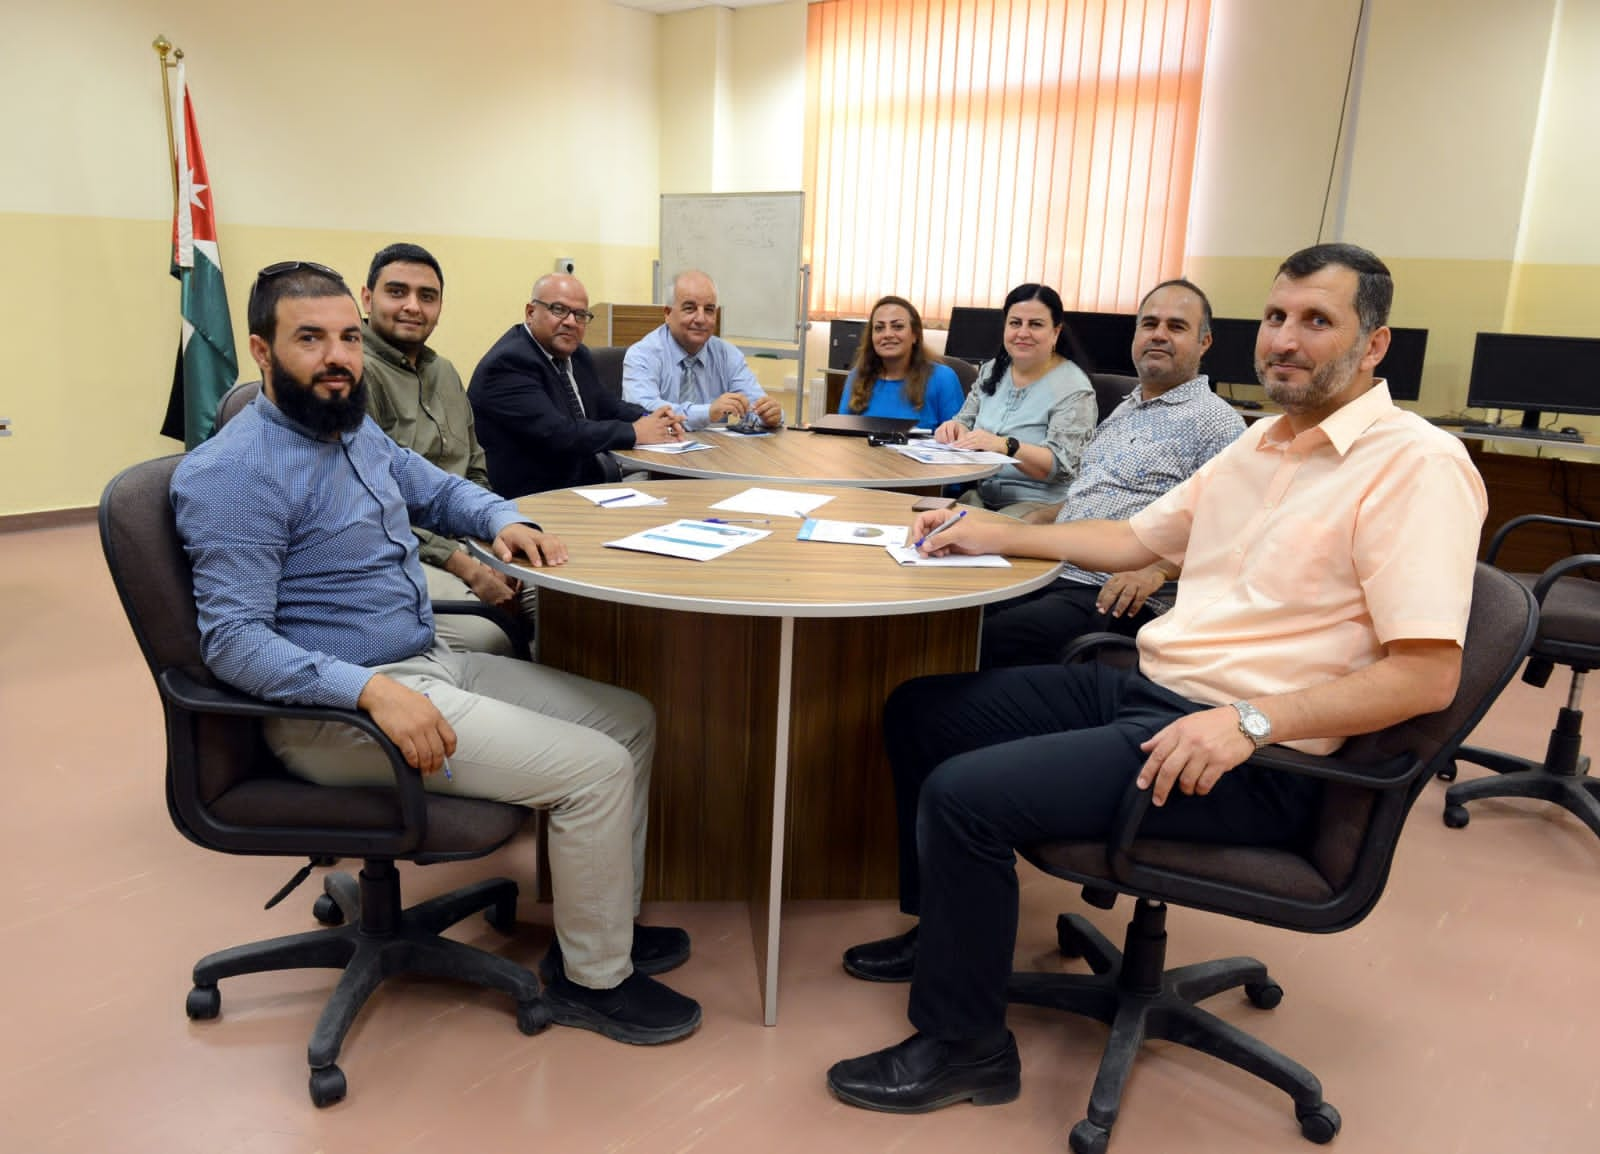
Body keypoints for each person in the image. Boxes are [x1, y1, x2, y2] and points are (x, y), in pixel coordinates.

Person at [827, 243, 1486, 1112]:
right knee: (923, 710)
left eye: (1317, 321)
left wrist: (1249, 724)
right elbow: (1138, 540)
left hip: (1248, 752)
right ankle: (943, 930)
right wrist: (996, 533)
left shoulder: (1416, 466)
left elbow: (1427, 677)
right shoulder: (1262, 444)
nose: (1285, 340)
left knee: (963, 794)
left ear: (1373, 345)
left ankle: (967, 1047)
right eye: (1279, 317)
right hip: (1150, 690)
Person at [172, 261, 701, 1046]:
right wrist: (369, 693)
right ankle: (594, 982)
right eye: (309, 339)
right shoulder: (235, 473)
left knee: (628, 720)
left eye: (348, 337)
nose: (337, 357)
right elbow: (235, 642)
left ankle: (600, 929)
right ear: (260, 349)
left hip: (420, 660)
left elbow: (435, 488)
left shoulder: (350, 425)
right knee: (595, 768)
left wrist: (499, 521)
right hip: (337, 711)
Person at [977, 278, 1245, 668]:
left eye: (1176, 326)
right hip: (1051, 565)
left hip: (1107, 590)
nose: (1159, 335)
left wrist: (1155, 571)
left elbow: (1227, 537)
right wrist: (1036, 519)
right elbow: (1092, 491)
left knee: (986, 634)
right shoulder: (1125, 409)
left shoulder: (1218, 424)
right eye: (1149, 324)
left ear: (1204, 343)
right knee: (952, 609)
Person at [359, 242, 534, 658]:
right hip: (399, 547)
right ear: (367, 298)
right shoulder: (355, 375)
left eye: (427, 296)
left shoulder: (444, 371)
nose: (413, 307)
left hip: (465, 534)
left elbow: (474, 469)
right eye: (396, 292)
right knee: (488, 636)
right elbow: (372, 507)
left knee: (561, 599)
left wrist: (492, 537)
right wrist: (463, 563)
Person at [468, 274, 679, 497]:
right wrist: (634, 431)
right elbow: (558, 433)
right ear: (531, 313)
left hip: (582, 486)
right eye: (558, 309)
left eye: (580, 314)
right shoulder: (508, 363)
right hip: (532, 498)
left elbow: (607, 405)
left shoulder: (577, 354)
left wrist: (654, 417)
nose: (570, 322)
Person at [934, 283, 1098, 519]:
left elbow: (1061, 466)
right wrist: (953, 429)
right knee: (931, 522)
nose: (1022, 333)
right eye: (1015, 323)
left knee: (971, 536)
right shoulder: (992, 370)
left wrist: (1005, 445)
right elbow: (964, 421)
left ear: (1056, 332)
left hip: (1039, 505)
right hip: (982, 495)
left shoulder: (1074, 389)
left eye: (1035, 324)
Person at [622, 269, 784, 431]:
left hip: (715, 453)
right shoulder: (642, 354)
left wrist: (769, 415)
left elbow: (755, 405)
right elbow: (643, 411)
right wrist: (707, 413)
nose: (701, 319)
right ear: (668, 313)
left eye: (709, 310)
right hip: (656, 451)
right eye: (690, 308)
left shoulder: (728, 355)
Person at [836, 295, 965, 428]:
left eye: (897, 327)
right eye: (879, 328)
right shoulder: (857, 377)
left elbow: (956, 438)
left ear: (915, 335)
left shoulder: (942, 378)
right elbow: (843, 435)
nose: (887, 334)